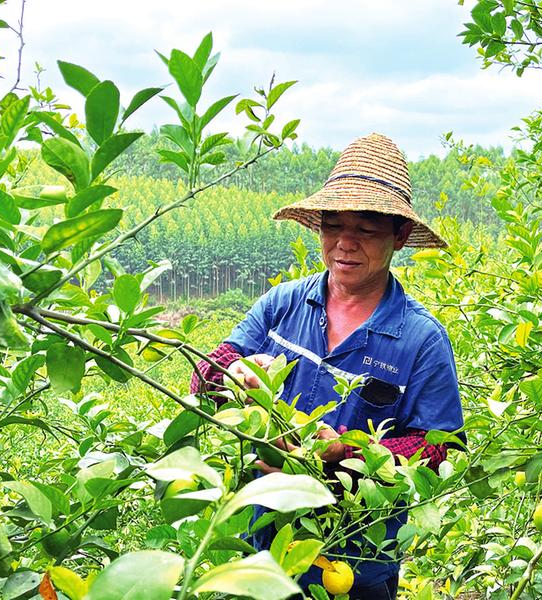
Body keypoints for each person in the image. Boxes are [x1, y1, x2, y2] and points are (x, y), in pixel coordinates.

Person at [191, 133, 465, 599]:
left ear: (399, 237)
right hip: (264, 540)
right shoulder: (283, 304)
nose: (345, 244)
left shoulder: (420, 339)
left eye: (366, 229)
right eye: (332, 226)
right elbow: (206, 376)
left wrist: (349, 453)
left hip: (356, 557)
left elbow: (440, 448)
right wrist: (233, 379)